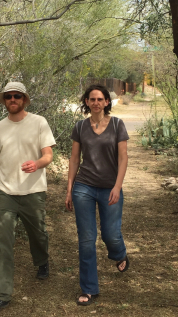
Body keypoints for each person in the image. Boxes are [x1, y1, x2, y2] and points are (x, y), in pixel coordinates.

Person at [0, 82, 56, 315]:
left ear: (24, 99)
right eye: (8, 97)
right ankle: (1, 295)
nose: (12, 100)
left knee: (38, 233)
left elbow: (48, 155)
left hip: (33, 191)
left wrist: (36, 164)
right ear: (4, 100)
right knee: (2, 242)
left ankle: (42, 260)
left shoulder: (39, 122)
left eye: (16, 96)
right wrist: (2, 183)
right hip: (4, 193)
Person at [65, 84, 129, 306]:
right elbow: (74, 159)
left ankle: (119, 253)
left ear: (107, 102)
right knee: (86, 239)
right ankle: (89, 288)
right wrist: (69, 188)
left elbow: (123, 158)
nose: (96, 103)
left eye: (100, 99)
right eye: (91, 99)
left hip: (110, 187)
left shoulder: (118, 125)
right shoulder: (80, 127)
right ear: (86, 102)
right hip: (84, 186)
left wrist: (117, 186)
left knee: (110, 234)